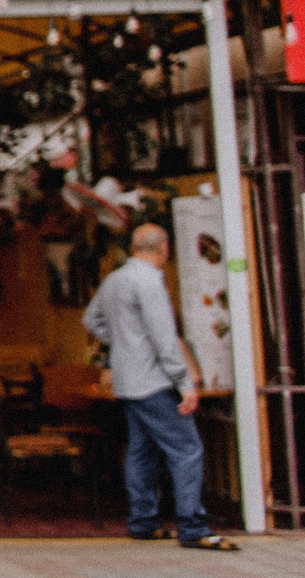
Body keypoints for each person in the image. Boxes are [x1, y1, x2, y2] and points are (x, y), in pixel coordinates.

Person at [83, 221, 237, 550]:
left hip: (127, 381)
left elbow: (91, 319)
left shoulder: (115, 279)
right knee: (187, 449)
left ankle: (143, 521)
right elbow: (165, 339)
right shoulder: (150, 281)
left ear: (133, 247)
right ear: (164, 248)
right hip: (153, 381)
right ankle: (193, 526)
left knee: (141, 451)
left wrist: (124, 343)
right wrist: (185, 383)